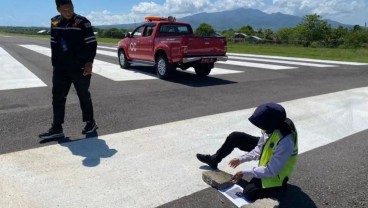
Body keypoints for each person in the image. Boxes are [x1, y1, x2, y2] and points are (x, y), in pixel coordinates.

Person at [196, 103, 298, 201]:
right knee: (235, 137)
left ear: (269, 123)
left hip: (276, 174)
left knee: (249, 194)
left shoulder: (285, 141)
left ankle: (278, 187)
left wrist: (244, 172)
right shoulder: (272, 125)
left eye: (261, 124)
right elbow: (259, 149)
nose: (260, 127)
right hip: (270, 147)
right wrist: (241, 159)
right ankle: (214, 160)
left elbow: (271, 171)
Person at [39, 0, 98, 139]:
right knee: (58, 97)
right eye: (64, 9)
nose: (68, 12)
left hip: (80, 67)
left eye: (70, 8)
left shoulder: (82, 22)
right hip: (61, 68)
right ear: (58, 9)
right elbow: (54, 43)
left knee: (83, 95)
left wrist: (89, 62)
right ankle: (57, 127)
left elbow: (92, 43)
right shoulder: (54, 22)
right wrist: (55, 63)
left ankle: (90, 123)